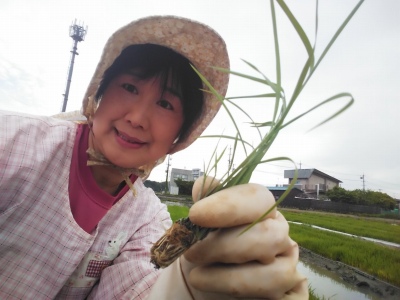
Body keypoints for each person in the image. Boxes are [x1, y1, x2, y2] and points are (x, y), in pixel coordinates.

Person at [0, 16, 308, 299]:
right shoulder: (13, 143)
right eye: (130, 87)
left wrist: (185, 287)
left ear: (180, 136)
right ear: (99, 93)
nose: (137, 118)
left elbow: (139, 288)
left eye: (165, 104)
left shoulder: (148, 220)